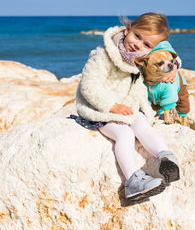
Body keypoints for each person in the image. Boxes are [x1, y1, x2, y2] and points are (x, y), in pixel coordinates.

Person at [74, 13, 180, 201]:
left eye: (146, 45)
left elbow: (168, 58)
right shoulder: (103, 55)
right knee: (125, 134)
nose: (138, 45)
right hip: (99, 110)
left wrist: (174, 68)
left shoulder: (138, 59)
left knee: (142, 125)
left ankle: (165, 156)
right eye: (137, 36)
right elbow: (88, 86)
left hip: (126, 108)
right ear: (128, 29)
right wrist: (111, 106)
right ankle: (133, 181)